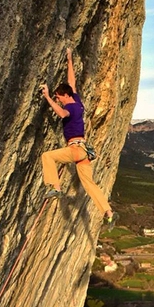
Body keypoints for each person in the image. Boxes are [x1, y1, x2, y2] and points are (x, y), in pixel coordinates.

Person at [41, 47, 116, 227]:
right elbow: (72, 81)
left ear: (65, 96)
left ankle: (55, 187)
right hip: (84, 152)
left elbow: (61, 114)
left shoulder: (71, 108)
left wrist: (47, 97)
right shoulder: (77, 101)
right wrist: (69, 59)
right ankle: (108, 212)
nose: (59, 100)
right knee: (90, 185)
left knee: (47, 156)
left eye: (59, 97)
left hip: (75, 150)